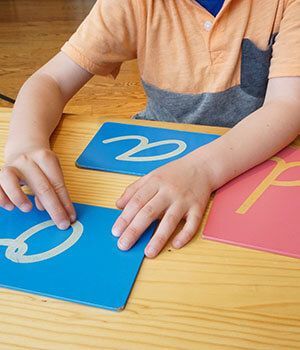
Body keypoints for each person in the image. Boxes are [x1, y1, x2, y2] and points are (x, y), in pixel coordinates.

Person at [1, 0, 300, 258]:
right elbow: (50, 81)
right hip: (154, 156)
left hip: (254, 161)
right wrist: (25, 142)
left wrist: (202, 170)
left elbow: (287, 106)